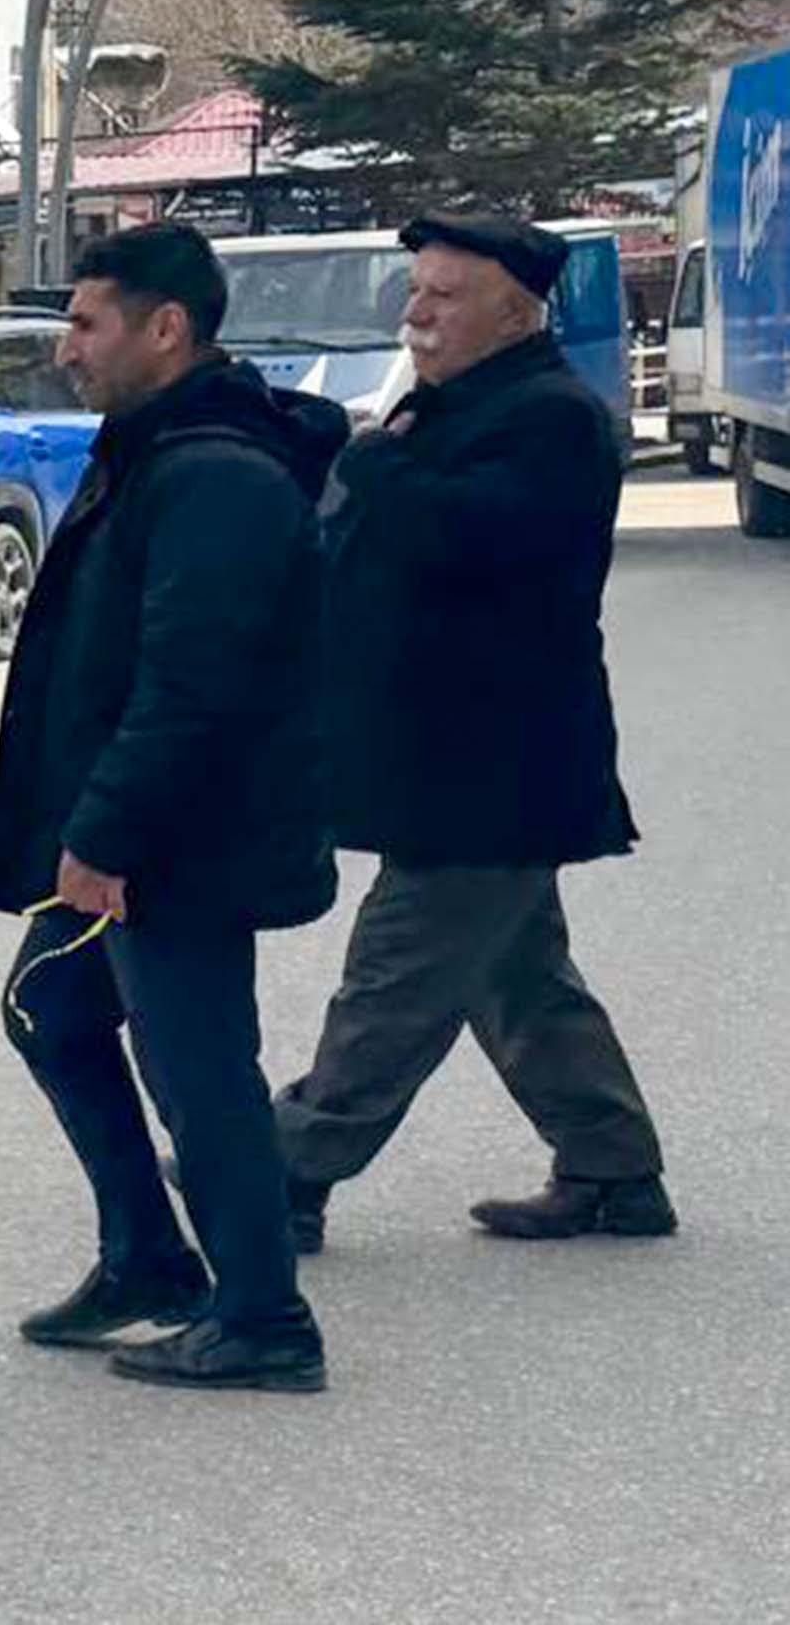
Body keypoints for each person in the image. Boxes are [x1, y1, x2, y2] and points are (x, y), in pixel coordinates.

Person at [0, 223, 349, 1394]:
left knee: (199, 1070)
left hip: (182, 834)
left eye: (88, 323)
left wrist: (106, 834)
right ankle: (146, 1257)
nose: (68, 348)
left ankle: (265, 1317)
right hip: (136, 821)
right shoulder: (156, 446)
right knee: (51, 1010)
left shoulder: (215, 473)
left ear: (167, 329)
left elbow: (195, 682)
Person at [272, 213, 671, 1248]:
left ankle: (277, 1172)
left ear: (515, 313)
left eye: (445, 296)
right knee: (516, 974)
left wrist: (373, 465)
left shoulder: (553, 418)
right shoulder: (449, 404)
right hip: (448, 753)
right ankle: (614, 1170)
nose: (418, 313)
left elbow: (473, 540)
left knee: (397, 976)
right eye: (415, 292)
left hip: (494, 760)